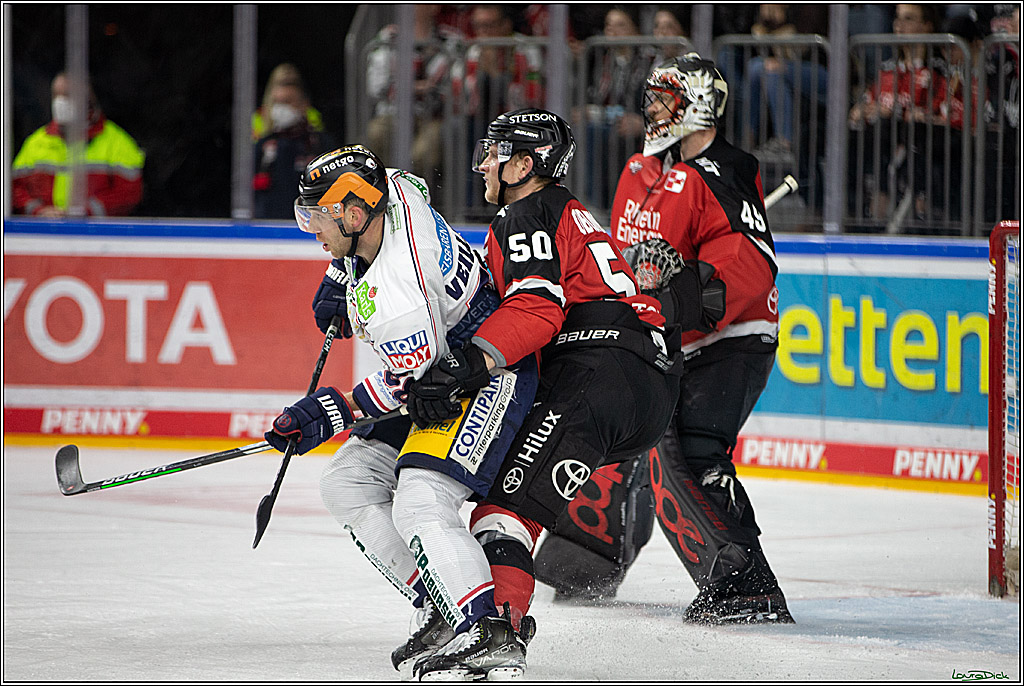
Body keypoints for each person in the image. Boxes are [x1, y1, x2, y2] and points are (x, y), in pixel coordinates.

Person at [401, 108, 682, 678]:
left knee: (502, 513)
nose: (483, 163)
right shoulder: (565, 212)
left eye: (494, 153)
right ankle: (487, 616)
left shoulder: (526, 211)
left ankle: (495, 632)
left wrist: (469, 362)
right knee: (515, 502)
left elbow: (536, 305)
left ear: (525, 165)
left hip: (597, 373)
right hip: (641, 383)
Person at [267, 144, 542, 680]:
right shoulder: (393, 192)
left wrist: (327, 411)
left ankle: (488, 631)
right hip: (441, 373)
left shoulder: (398, 295)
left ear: (351, 213)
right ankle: (445, 602)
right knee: (347, 482)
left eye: (316, 217)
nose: (310, 229)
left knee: (420, 500)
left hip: (484, 376)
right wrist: (340, 274)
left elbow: (405, 384)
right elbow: (397, 179)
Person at [537, 54, 794, 625]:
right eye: (651, 96)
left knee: (690, 448)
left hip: (731, 341)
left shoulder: (724, 172)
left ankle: (744, 586)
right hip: (669, 339)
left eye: (667, 97)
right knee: (620, 418)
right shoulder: (641, 173)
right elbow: (633, 260)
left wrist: (682, 300)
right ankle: (589, 551)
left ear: (700, 104)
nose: (652, 107)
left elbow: (750, 270)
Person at [847, 4, 949, 223]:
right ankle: (854, 210)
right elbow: (865, 103)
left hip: (915, 138)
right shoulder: (888, 67)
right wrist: (862, 109)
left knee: (890, 129)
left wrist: (895, 112)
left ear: (927, 26)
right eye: (897, 18)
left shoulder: (939, 70)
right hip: (880, 135)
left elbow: (935, 111)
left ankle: (898, 205)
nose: (899, 25)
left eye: (909, 19)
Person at [12, 72, 145, 217]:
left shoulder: (117, 143)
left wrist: (85, 213)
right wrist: (39, 211)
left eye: (67, 95)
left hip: (95, 235)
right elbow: (13, 190)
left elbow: (128, 194)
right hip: (44, 235)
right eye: (56, 96)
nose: (60, 102)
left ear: (87, 99)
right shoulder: (36, 143)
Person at [366, 4, 461, 194]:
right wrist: (416, 88)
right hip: (393, 115)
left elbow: (456, 88)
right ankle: (384, 195)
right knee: (376, 132)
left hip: (435, 118)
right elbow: (376, 86)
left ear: (435, 7)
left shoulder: (452, 40)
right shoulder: (387, 37)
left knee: (421, 154)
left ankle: (417, 201)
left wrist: (408, 88)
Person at [252, 70, 336, 219]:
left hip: (310, 226)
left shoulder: (321, 145)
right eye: (278, 103)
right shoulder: (263, 146)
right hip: (267, 229)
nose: (281, 109)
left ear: (304, 104)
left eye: (288, 102)